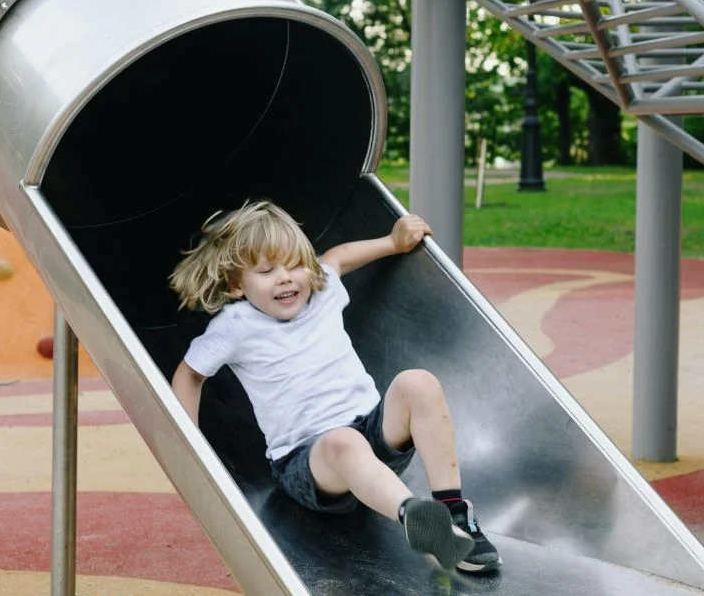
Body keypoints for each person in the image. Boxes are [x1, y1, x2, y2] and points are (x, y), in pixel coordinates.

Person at [168, 200, 502, 573]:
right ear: (235, 286)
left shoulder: (321, 287)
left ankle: (453, 512)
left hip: (374, 435)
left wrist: (392, 242)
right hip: (308, 463)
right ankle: (418, 521)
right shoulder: (235, 326)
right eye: (266, 270)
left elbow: (338, 257)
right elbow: (189, 374)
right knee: (343, 442)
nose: (285, 277)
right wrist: (188, 443)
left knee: (418, 383)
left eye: (295, 264)